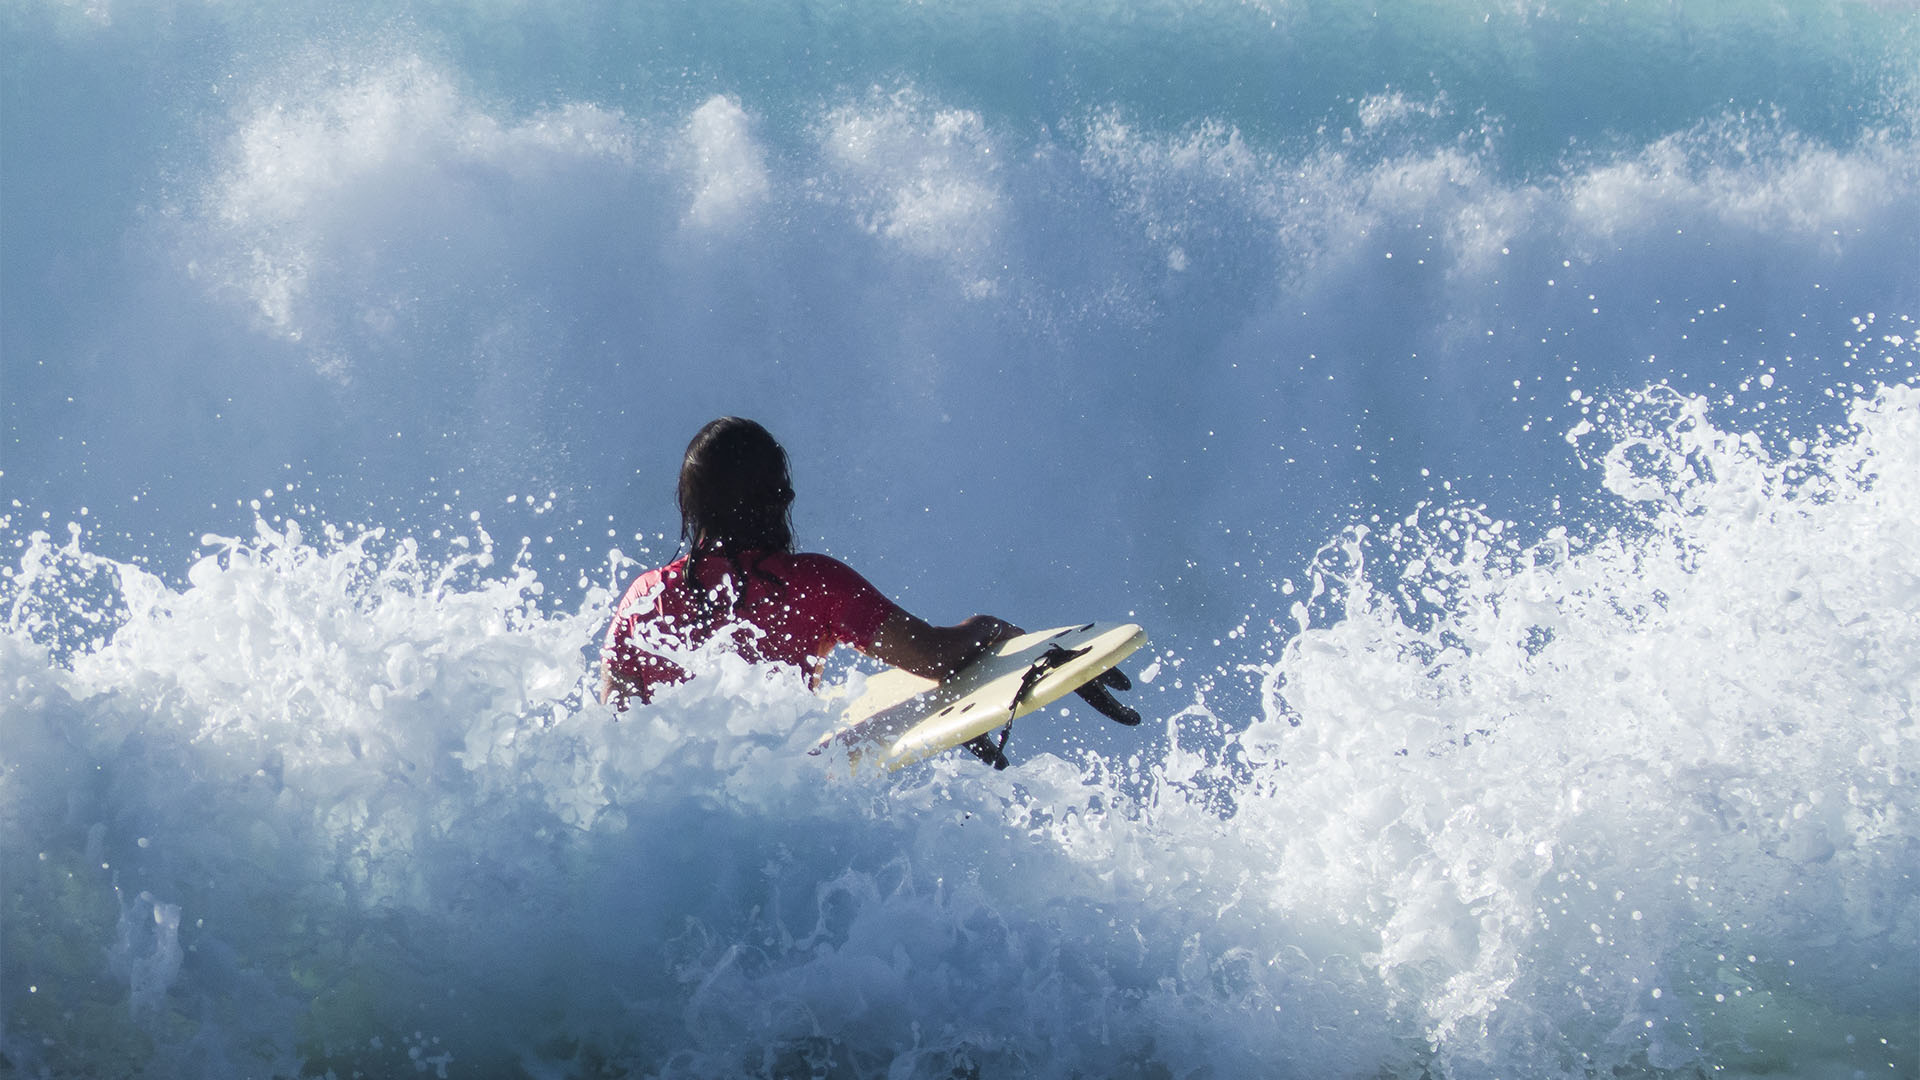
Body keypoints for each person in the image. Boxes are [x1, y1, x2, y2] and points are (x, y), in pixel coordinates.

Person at [601, 417, 1024, 759]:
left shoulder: (644, 598)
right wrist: (987, 628)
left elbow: (613, 740)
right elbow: (934, 656)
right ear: (780, 498)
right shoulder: (811, 584)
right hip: (775, 815)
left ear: (689, 507)